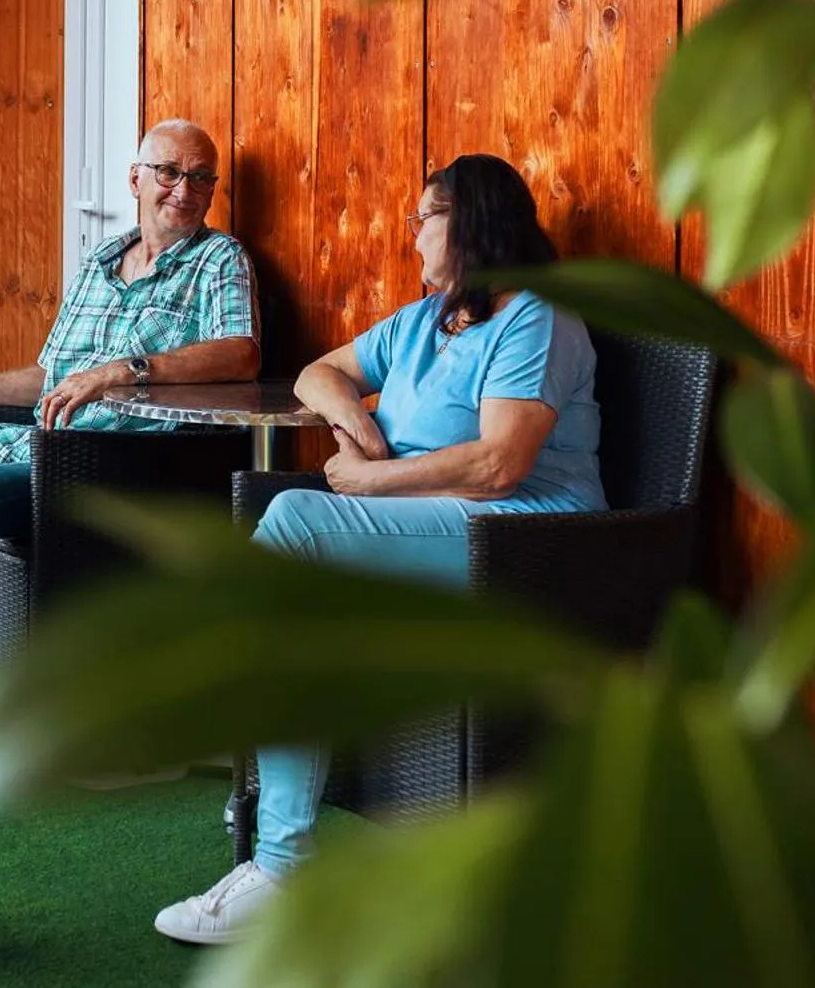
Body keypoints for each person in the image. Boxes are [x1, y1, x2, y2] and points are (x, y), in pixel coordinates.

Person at [153, 153, 605, 945]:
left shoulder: (534, 317)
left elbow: (501, 463)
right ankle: (278, 861)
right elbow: (318, 372)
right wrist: (354, 428)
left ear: (467, 223)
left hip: (527, 538)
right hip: (430, 526)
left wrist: (370, 480)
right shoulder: (427, 319)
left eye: (421, 218)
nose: (413, 236)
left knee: (294, 520)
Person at [0, 119, 260, 787]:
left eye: (201, 177)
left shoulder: (218, 259)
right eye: (170, 172)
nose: (185, 188)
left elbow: (240, 351)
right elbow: (49, 373)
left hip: (114, 464)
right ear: (135, 179)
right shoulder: (97, 262)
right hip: (28, 444)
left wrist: (127, 369)